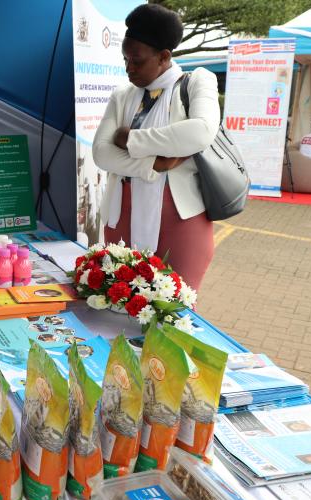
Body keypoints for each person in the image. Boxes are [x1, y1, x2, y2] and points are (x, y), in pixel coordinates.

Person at [92, 4, 220, 291]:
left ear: (164, 57)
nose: (128, 68)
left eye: (136, 61)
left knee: (176, 304)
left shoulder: (197, 82)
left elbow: (201, 131)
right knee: (120, 300)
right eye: (125, 59)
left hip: (181, 220)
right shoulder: (122, 95)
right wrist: (153, 163)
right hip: (121, 216)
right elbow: (101, 152)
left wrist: (130, 140)